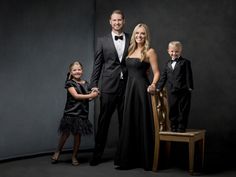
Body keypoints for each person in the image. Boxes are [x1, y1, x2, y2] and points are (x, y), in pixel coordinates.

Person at [114, 23, 160, 171]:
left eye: (142, 34)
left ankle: (145, 160)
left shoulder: (150, 52)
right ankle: (128, 160)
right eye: (137, 33)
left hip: (141, 90)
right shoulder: (131, 49)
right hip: (130, 89)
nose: (139, 36)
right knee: (130, 121)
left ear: (146, 36)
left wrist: (153, 84)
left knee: (142, 122)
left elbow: (157, 72)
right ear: (134, 35)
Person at [89, 9, 130, 166]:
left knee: (124, 123)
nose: (117, 23)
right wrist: (93, 85)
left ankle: (123, 156)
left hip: (126, 86)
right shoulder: (102, 40)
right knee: (103, 121)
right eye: (114, 20)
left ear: (123, 21)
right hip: (108, 87)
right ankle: (97, 155)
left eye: (119, 20)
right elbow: (97, 65)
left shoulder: (130, 38)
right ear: (110, 21)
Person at [51, 61, 98, 166]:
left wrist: (94, 94)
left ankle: (74, 156)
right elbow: (76, 96)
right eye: (74, 70)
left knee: (77, 135)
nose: (77, 71)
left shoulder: (86, 83)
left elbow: (87, 98)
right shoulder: (69, 83)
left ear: (82, 70)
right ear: (71, 72)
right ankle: (58, 151)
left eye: (79, 69)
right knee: (65, 134)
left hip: (81, 113)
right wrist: (91, 95)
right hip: (71, 112)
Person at [156, 41, 194, 132]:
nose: (174, 53)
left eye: (176, 51)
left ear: (180, 51)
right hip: (172, 91)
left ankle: (181, 126)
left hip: (183, 90)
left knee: (183, 109)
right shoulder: (167, 64)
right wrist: (159, 87)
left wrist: (190, 87)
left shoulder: (185, 62)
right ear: (168, 51)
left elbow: (189, 75)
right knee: (173, 108)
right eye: (172, 51)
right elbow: (163, 77)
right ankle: (173, 125)